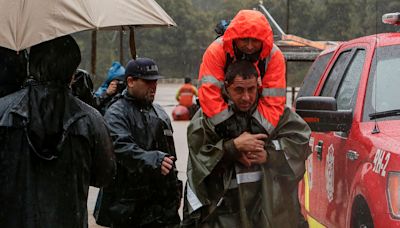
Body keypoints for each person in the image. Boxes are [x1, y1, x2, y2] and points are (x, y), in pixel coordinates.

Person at [0, 35, 116, 228]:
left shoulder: (4, 111)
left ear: (32, 66)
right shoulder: (91, 120)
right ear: (73, 73)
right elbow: (105, 176)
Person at [182, 60, 311, 228]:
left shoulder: (275, 112)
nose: (246, 97)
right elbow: (199, 159)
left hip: (268, 212)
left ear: (258, 86)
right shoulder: (207, 116)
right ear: (226, 87)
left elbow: (300, 143)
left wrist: (269, 154)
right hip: (223, 214)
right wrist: (232, 148)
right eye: (239, 90)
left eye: (251, 89)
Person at [102, 57, 182, 227]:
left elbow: (170, 157)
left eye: (155, 81)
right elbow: (120, 148)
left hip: (161, 207)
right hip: (129, 206)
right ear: (130, 81)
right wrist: (153, 159)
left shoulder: (159, 112)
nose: (153, 87)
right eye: (147, 82)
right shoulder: (116, 113)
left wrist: (174, 194)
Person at [198, 9, 286, 137]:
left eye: (255, 40)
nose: (250, 46)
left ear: (264, 40)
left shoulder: (274, 56)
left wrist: (256, 134)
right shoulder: (216, 51)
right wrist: (231, 131)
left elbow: (274, 100)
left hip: (257, 117)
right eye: (244, 39)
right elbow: (209, 94)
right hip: (220, 119)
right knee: (198, 127)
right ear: (234, 38)